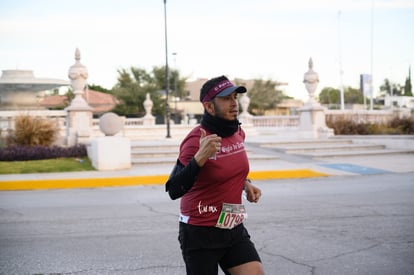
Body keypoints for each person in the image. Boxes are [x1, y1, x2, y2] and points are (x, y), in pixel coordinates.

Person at [165, 75, 264, 275]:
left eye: (235, 97)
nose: (234, 103)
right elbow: (173, 189)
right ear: (209, 107)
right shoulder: (196, 140)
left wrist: (246, 183)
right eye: (226, 99)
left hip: (233, 225)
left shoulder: (237, 132)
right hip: (200, 231)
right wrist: (200, 157)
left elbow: (228, 168)